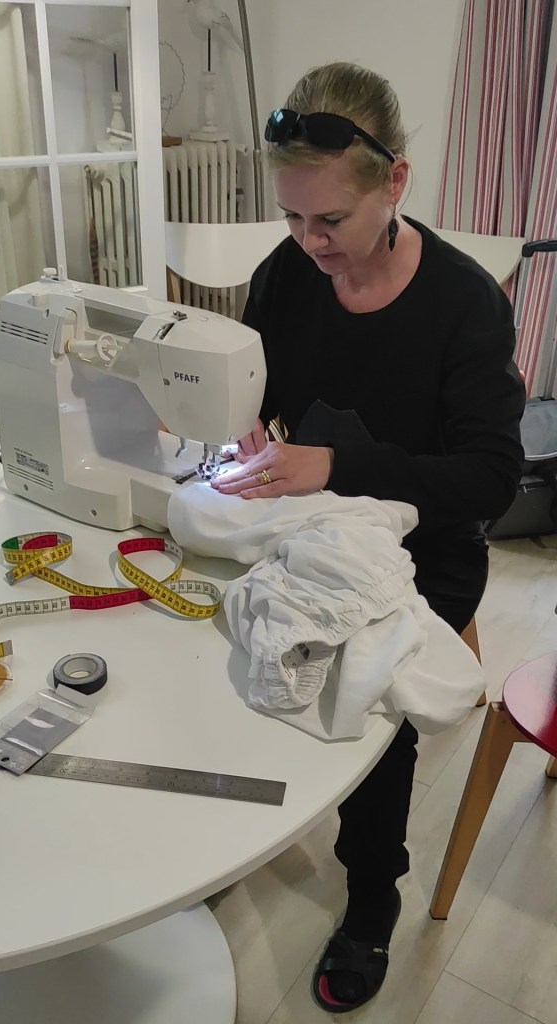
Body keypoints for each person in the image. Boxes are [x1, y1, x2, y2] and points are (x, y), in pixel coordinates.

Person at [210, 61, 525, 1013]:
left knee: (364, 678)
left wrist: (338, 465)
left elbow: (489, 479)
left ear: (395, 183)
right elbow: (260, 389)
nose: (309, 243)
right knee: (217, 626)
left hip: (429, 547)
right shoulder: (287, 275)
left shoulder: (464, 305)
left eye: (330, 221)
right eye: (291, 218)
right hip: (309, 519)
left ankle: (371, 889)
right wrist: (248, 423)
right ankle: (240, 825)